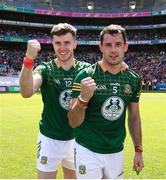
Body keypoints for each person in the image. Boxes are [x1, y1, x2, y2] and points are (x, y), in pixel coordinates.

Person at [68, 24, 144, 179]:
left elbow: (134, 117)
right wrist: (83, 100)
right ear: (101, 47)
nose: (113, 50)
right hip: (87, 149)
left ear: (126, 47)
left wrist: (138, 151)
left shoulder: (133, 79)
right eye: (108, 45)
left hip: (116, 150)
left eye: (118, 45)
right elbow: (73, 122)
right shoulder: (85, 76)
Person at [19, 23, 91, 179]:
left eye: (67, 42)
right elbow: (26, 91)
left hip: (77, 138)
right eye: (58, 43)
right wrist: (28, 59)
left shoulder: (86, 70)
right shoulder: (45, 69)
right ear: (52, 44)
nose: (62, 47)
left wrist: (121, 65)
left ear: (75, 44)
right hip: (49, 139)